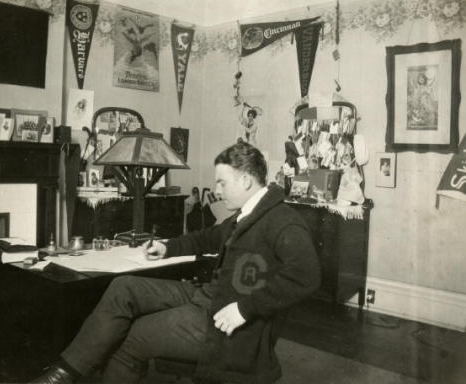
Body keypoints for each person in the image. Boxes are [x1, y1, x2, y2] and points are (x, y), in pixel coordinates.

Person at [30, 141, 320, 384]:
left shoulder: (282, 221)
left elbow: (306, 276)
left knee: (133, 337)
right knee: (124, 288)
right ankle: (63, 374)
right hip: (209, 297)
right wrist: (166, 247)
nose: (216, 190)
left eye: (222, 182)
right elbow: (208, 237)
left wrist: (246, 309)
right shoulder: (249, 213)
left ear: (245, 180)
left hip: (226, 321)